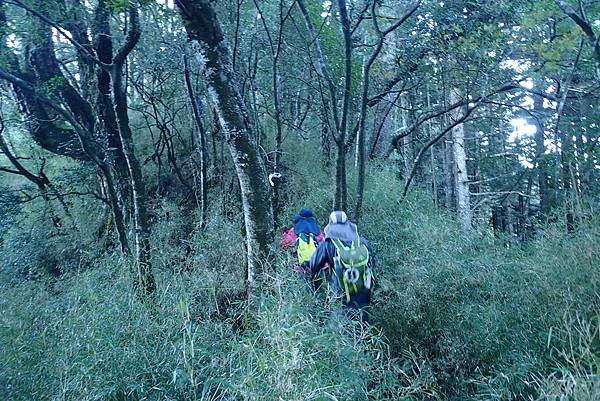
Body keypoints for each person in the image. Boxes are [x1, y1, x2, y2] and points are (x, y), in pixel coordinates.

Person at [309, 211, 374, 323]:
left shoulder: (328, 243)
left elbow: (314, 265)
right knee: (362, 324)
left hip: (340, 292)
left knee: (342, 325)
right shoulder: (362, 241)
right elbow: (372, 262)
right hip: (363, 290)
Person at [279, 208, 323, 273]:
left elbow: (284, 245)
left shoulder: (294, 230)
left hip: (300, 267)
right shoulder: (318, 232)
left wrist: (284, 233)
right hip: (317, 267)